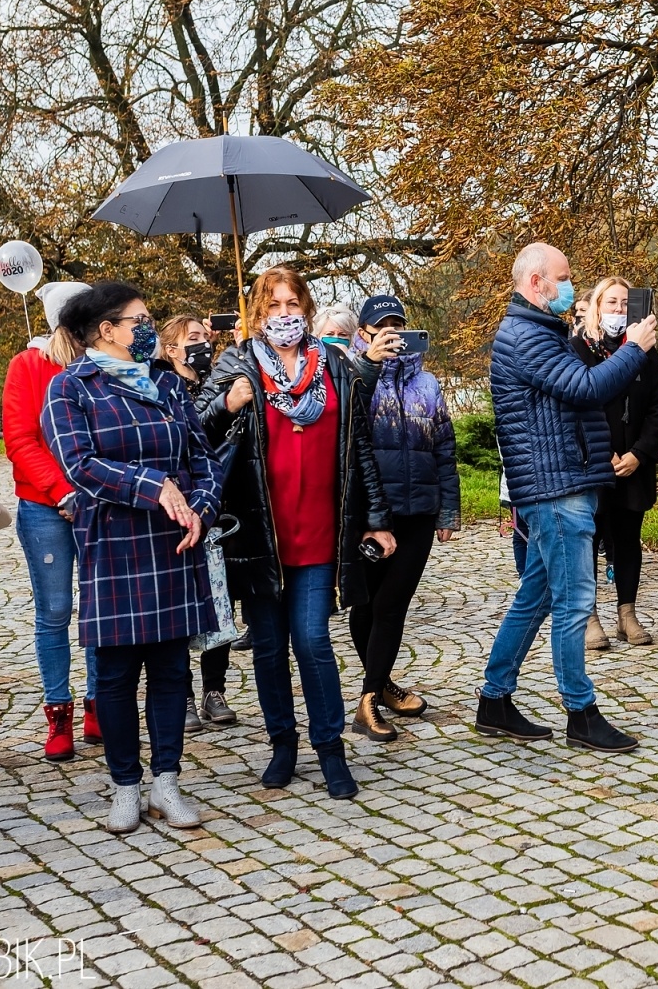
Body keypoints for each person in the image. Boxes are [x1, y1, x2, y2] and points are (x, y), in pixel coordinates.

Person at [199, 265, 396, 800]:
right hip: (261, 534)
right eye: (273, 305)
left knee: (312, 641)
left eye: (292, 304)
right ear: (258, 313)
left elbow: (360, 447)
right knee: (268, 647)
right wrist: (227, 403)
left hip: (321, 531)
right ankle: (282, 743)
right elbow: (196, 431)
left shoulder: (335, 365)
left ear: (306, 308)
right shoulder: (237, 363)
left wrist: (378, 519)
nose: (284, 314)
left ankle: (330, 748)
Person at [43, 282, 219, 832]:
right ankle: (125, 785)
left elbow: (202, 458)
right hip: (114, 543)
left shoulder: (167, 383)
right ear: (106, 330)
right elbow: (79, 465)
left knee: (171, 669)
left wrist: (201, 508)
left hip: (174, 540)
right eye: (139, 320)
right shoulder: (71, 387)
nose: (149, 328)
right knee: (116, 675)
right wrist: (152, 485)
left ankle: (166, 782)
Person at [477, 242, 657, 752]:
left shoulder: (540, 330)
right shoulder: (525, 336)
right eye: (564, 276)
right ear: (537, 283)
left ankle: (494, 700)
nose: (571, 284)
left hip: (559, 483)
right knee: (576, 601)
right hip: (556, 488)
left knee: (534, 597)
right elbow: (585, 388)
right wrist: (634, 348)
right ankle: (580, 711)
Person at [345, 294, 461, 741]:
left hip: (418, 511)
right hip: (370, 511)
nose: (392, 335)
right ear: (364, 333)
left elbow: (445, 447)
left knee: (392, 604)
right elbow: (346, 432)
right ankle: (381, 685)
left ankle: (369, 697)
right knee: (366, 605)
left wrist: (447, 509)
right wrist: (370, 367)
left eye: (398, 326)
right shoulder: (353, 374)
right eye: (383, 327)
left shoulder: (427, 384)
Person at [4, 279, 98, 761]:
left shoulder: (106, 364)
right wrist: (62, 490)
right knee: (55, 610)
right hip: (45, 504)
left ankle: (100, 704)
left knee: (100, 607)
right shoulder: (29, 365)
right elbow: (21, 439)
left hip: (99, 501)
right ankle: (58, 709)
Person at [570, 277, 658, 649]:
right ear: (597, 306)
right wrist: (602, 452)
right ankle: (589, 616)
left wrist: (639, 454)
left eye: (625, 303)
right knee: (589, 540)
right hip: (593, 463)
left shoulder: (644, 349)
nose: (618, 309)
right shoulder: (578, 348)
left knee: (628, 540)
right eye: (611, 302)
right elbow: (576, 406)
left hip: (632, 464)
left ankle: (627, 613)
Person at [158, 314, 237, 731]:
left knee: (219, 599)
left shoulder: (218, 381)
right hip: (177, 504)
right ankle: (183, 694)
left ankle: (214, 689)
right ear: (171, 349)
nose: (203, 344)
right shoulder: (161, 387)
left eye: (205, 337)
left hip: (217, 501)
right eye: (193, 338)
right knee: (182, 603)